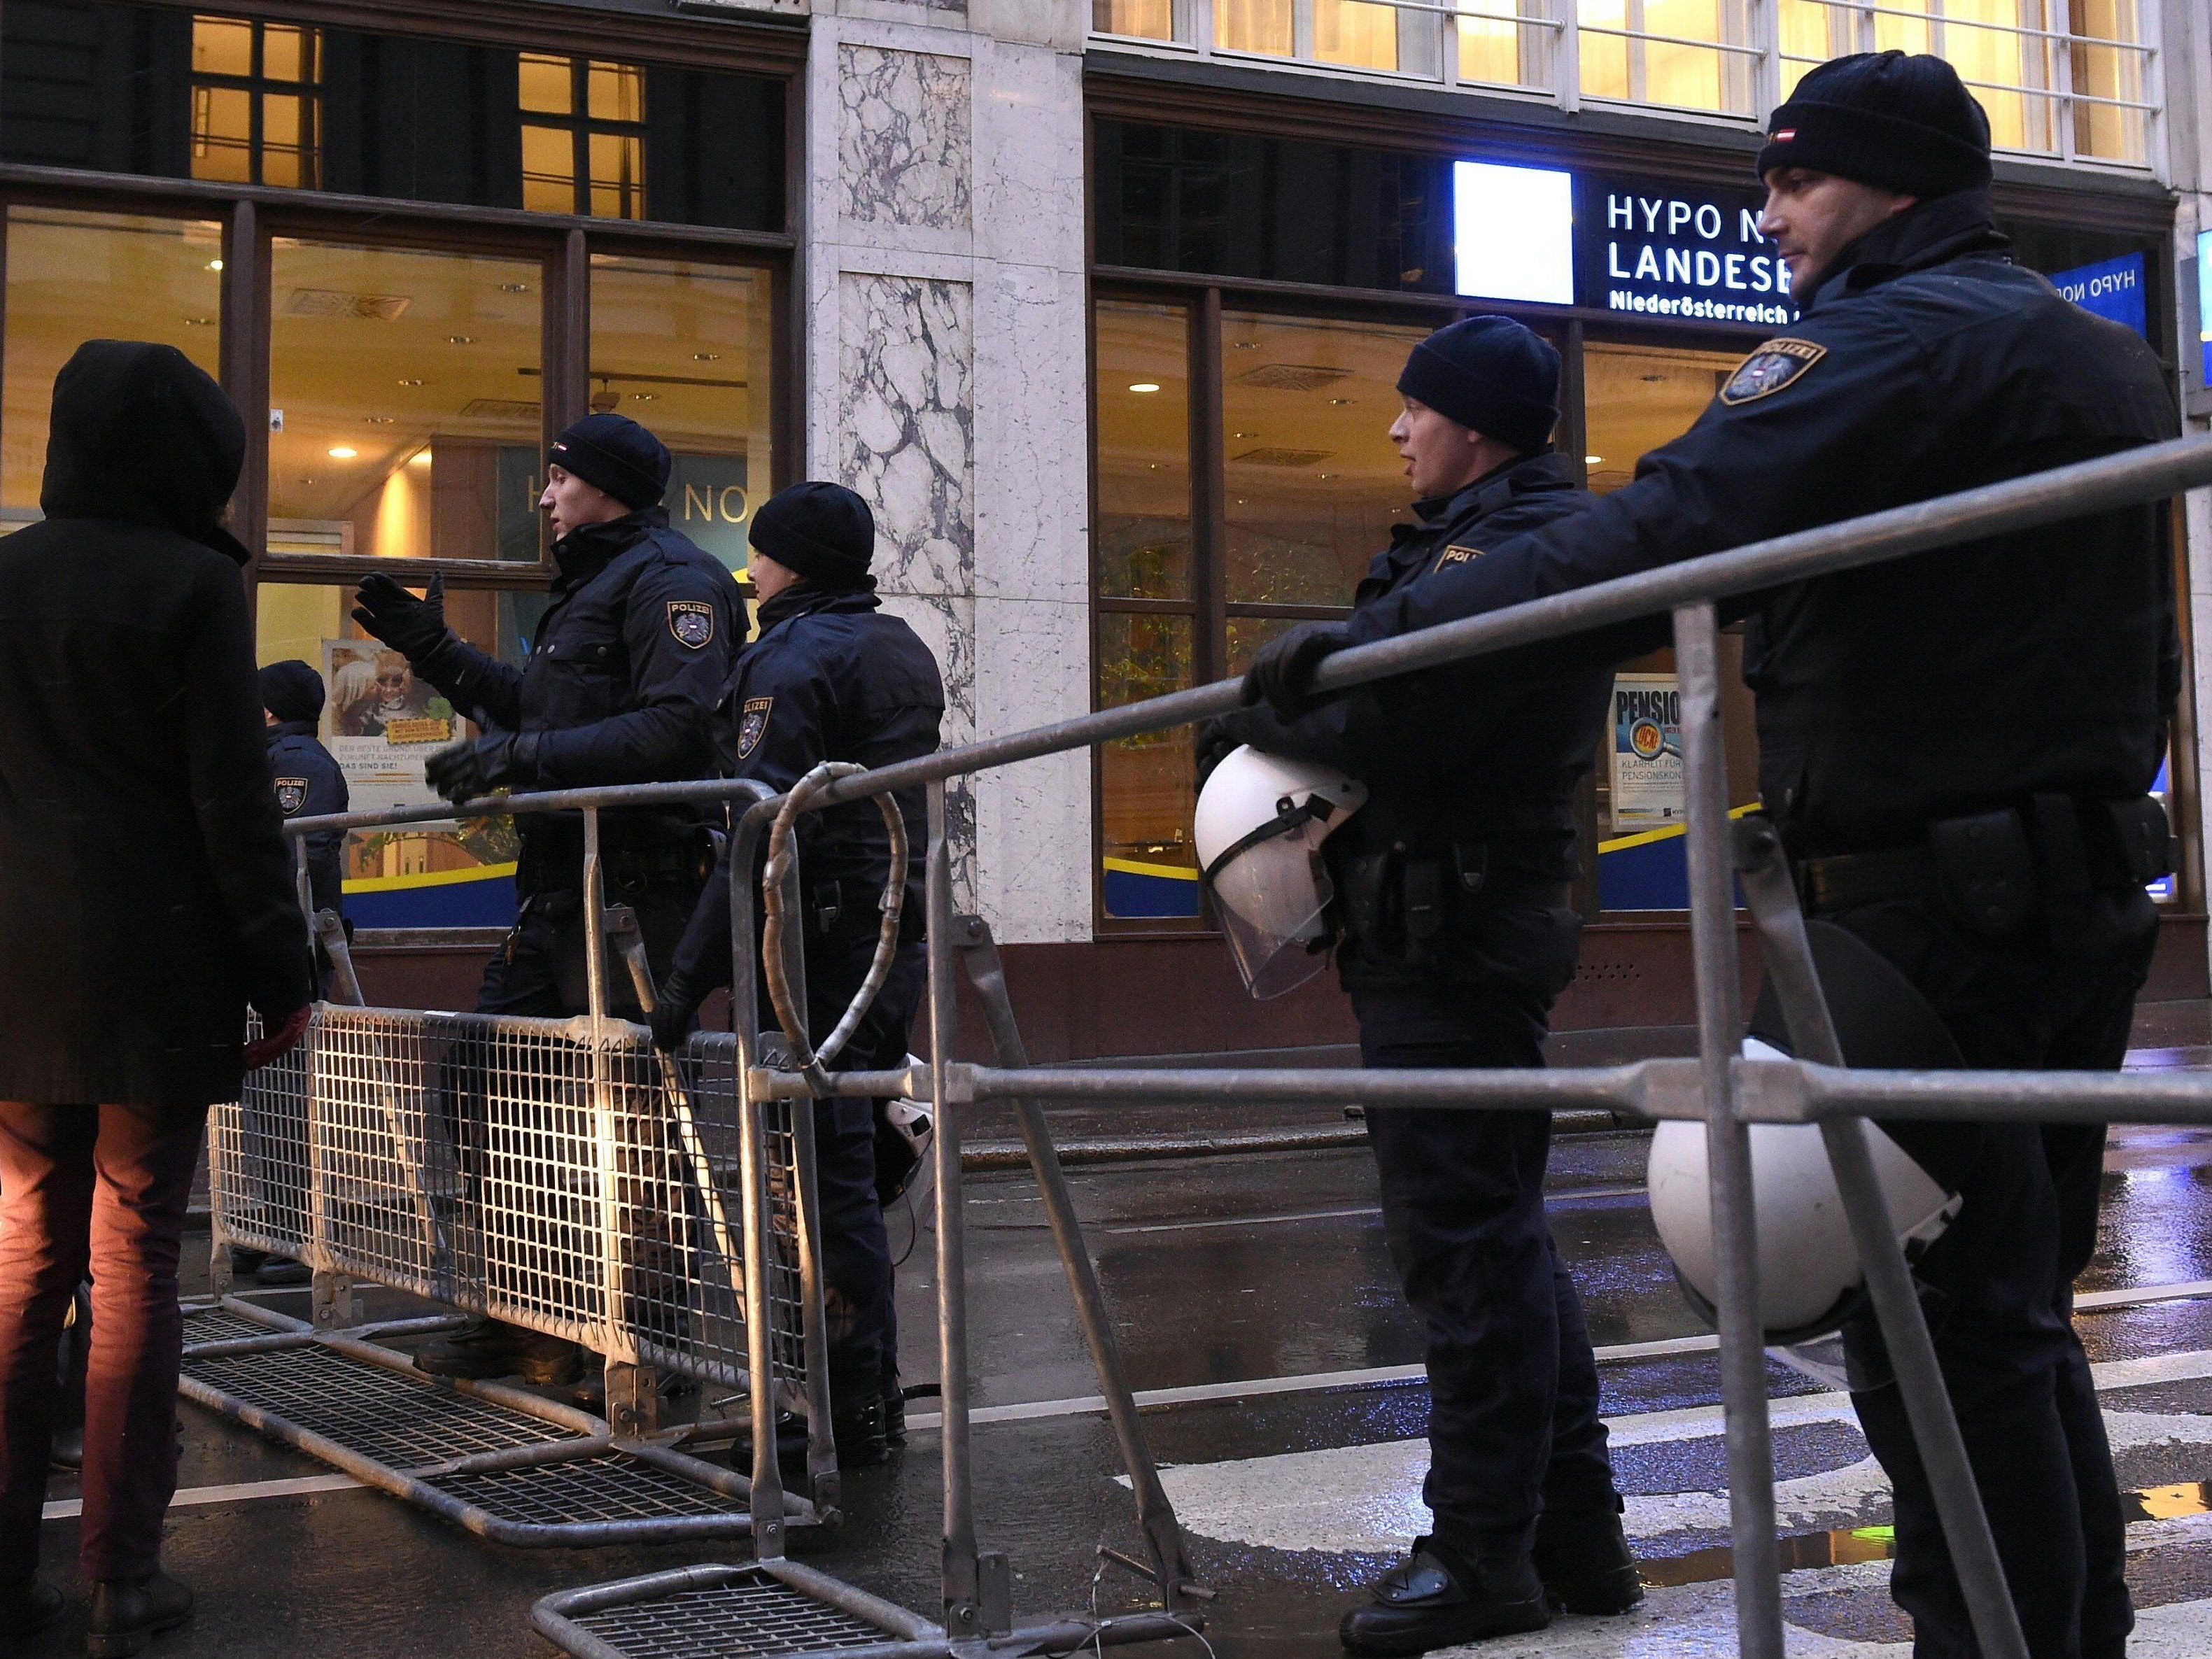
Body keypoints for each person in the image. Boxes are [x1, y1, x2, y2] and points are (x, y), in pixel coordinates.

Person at [1246, 53, 2177, 1659]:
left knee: (1930, 1327)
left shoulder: (1891, 342)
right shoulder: (2090, 355)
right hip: (2069, 887)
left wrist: (1370, 655)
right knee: (2011, 1321)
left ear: (1883, 185)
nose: (1770, 214)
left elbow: (1658, 531)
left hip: (1924, 904)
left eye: (1793, 181)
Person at [1204, 318, 1633, 1652]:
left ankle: (1480, 1556)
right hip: (1429, 927)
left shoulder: (1514, 545)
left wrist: (1273, 699)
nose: (1394, 430)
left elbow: (1402, 720)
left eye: (1413, 409)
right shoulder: (1474, 536)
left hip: (1458, 931)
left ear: (1480, 423)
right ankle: (1570, 1536)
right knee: (1495, 1235)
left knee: (1464, 1248)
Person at [0, 341, 312, 1656]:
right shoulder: (195, 585)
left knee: (18, 1263)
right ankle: (124, 1573)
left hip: (14, 976)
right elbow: (231, 806)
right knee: (134, 1268)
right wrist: (278, 971)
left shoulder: (3, 572)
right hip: (158, 975)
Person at [349, 411, 740, 1387]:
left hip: (638, 894)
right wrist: (431, 647)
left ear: (602, 485)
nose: (545, 494)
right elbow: (536, 710)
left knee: (635, 1115)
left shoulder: (672, 582)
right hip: (564, 891)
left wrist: (519, 761)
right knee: (486, 1081)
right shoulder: (595, 585)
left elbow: (678, 732)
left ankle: (648, 1340)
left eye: (558, 477)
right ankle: (526, 1309)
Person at [648, 481, 943, 1466]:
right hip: (884, 934)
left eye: (762, 554)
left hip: (814, 944)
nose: (751, 570)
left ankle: (847, 1404)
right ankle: (844, 1393)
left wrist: (684, 982)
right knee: (837, 1155)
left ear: (796, 564)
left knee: (818, 1174)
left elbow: (755, 832)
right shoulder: (897, 641)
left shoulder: (795, 654)